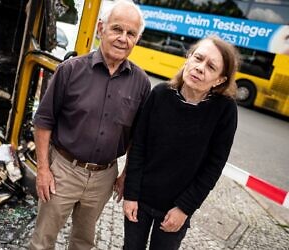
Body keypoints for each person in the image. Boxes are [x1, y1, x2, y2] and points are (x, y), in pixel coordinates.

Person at [29, 1, 151, 249]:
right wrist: (43, 170)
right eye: (117, 29)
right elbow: (44, 121)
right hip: (63, 170)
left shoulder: (141, 83)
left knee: (83, 243)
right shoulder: (70, 70)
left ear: (137, 40)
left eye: (131, 34)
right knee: (42, 241)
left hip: (104, 177)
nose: (123, 38)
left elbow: (138, 136)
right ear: (100, 29)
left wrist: (126, 174)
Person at [123, 35, 240, 250]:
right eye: (198, 58)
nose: (199, 68)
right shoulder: (159, 94)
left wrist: (184, 209)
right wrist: (130, 195)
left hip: (176, 208)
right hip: (140, 199)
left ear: (220, 80)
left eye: (211, 66)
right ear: (188, 58)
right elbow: (139, 146)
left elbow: (213, 167)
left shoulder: (224, 111)